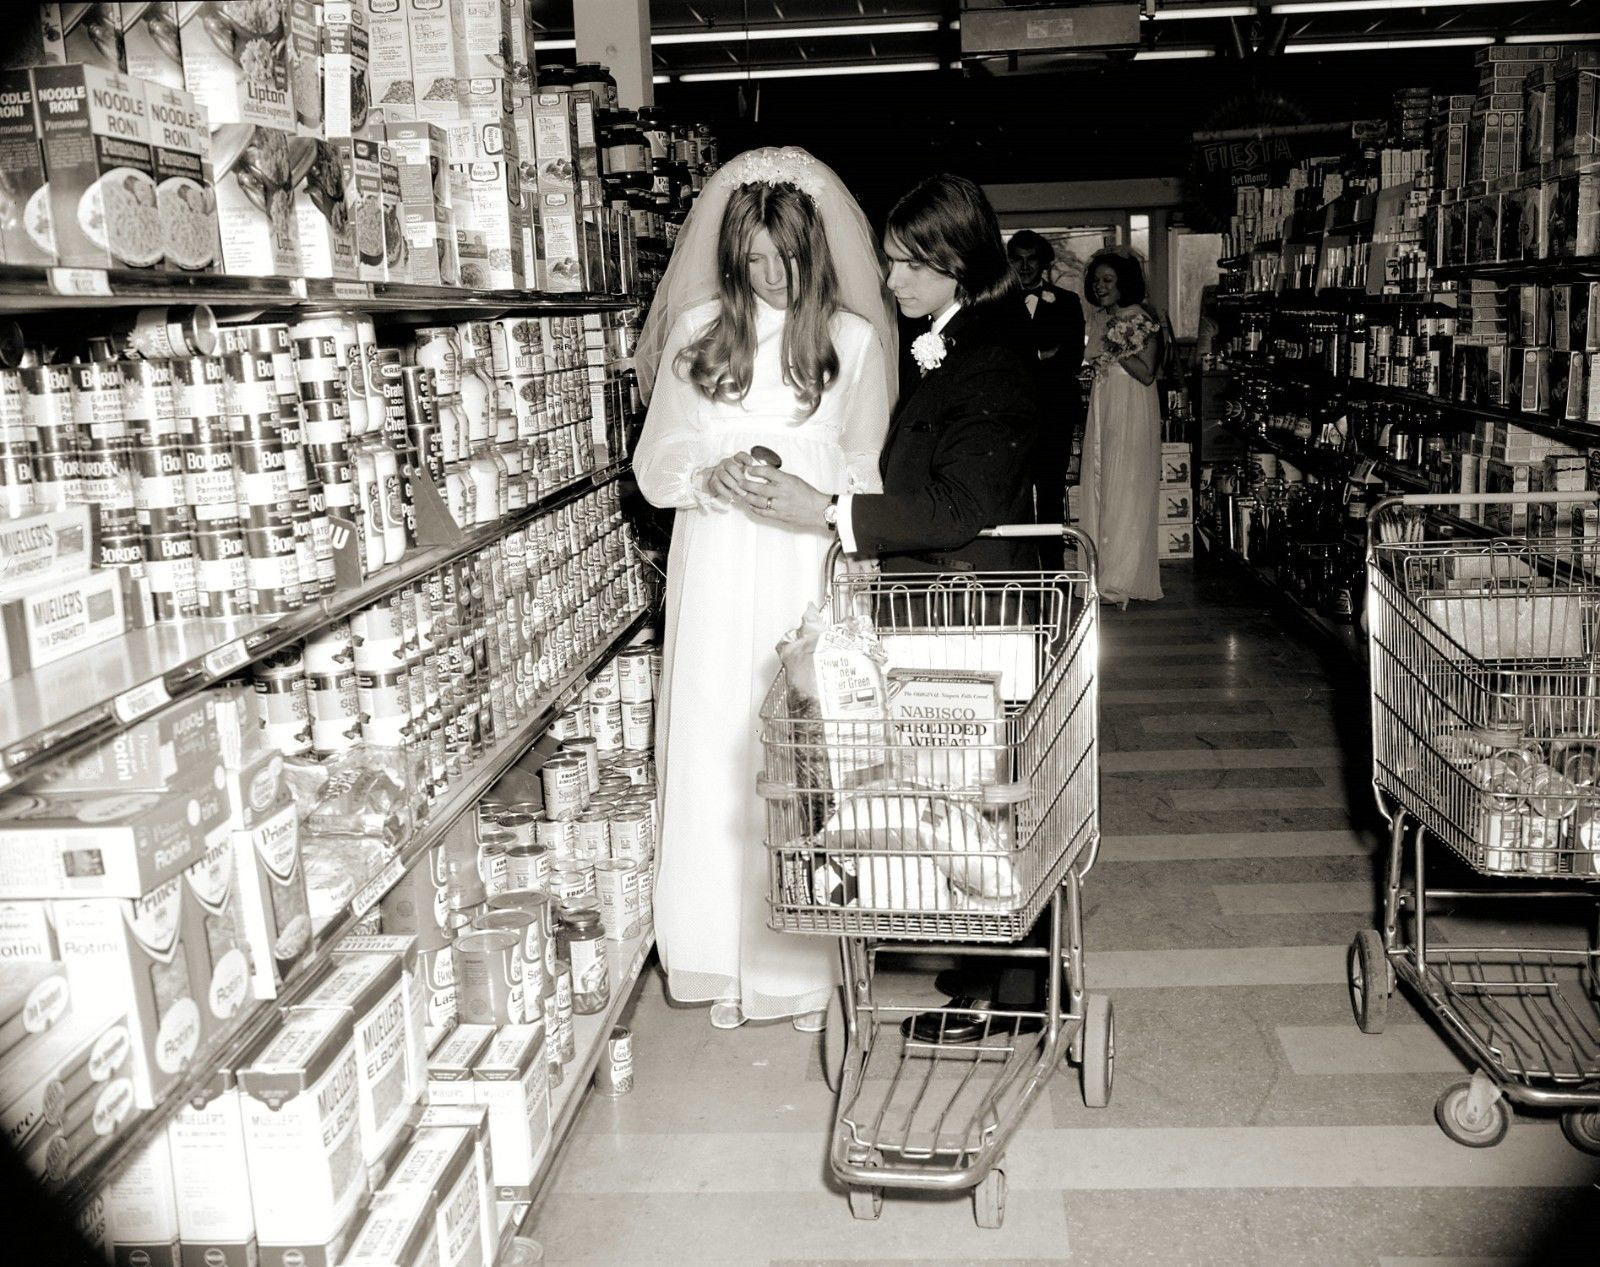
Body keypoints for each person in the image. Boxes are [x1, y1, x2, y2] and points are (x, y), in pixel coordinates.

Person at [742, 173, 1044, 1040]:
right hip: (950, 602)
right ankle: (986, 964)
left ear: (960, 260)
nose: (895, 283)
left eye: (913, 266)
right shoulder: (959, 336)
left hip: (976, 607)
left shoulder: (991, 353)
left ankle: (1009, 991)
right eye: (889, 263)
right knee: (963, 795)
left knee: (979, 795)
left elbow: (960, 506)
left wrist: (831, 512)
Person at [631, 147, 897, 1033]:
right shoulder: (699, 330)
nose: (769, 277)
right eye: (751, 259)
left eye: (784, 259)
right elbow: (657, 458)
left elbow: (863, 470)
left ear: (812, 251)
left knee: (805, 757)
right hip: (716, 567)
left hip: (800, 570)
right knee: (717, 751)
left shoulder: (852, 343)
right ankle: (722, 957)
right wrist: (708, 478)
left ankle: (803, 966)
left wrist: (822, 515)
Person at [1078, 247, 1165, 606]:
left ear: (1124, 283)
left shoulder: (1140, 318)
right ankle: (1099, 572)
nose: (1100, 287)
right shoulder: (1102, 318)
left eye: (1108, 280)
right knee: (1101, 485)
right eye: (1096, 281)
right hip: (1105, 406)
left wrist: (1119, 349)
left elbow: (1146, 374)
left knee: (1126, 486)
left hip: (1132, 408)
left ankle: (1121, 578)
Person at [1006, 230, 1085, 555]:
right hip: (1012, 415)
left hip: (1054, 413)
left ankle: (1053, 574)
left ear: (1043, 261)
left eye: (1031, 259)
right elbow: (999, 356)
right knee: (1015, 493)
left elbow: (1071, 357)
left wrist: (1027, 355)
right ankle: (1019, 572)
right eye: (1018, 260)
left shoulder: (1067, 302)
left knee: (1051, 492)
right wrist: (1040, 354)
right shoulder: (997, 304)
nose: (1025, 267)